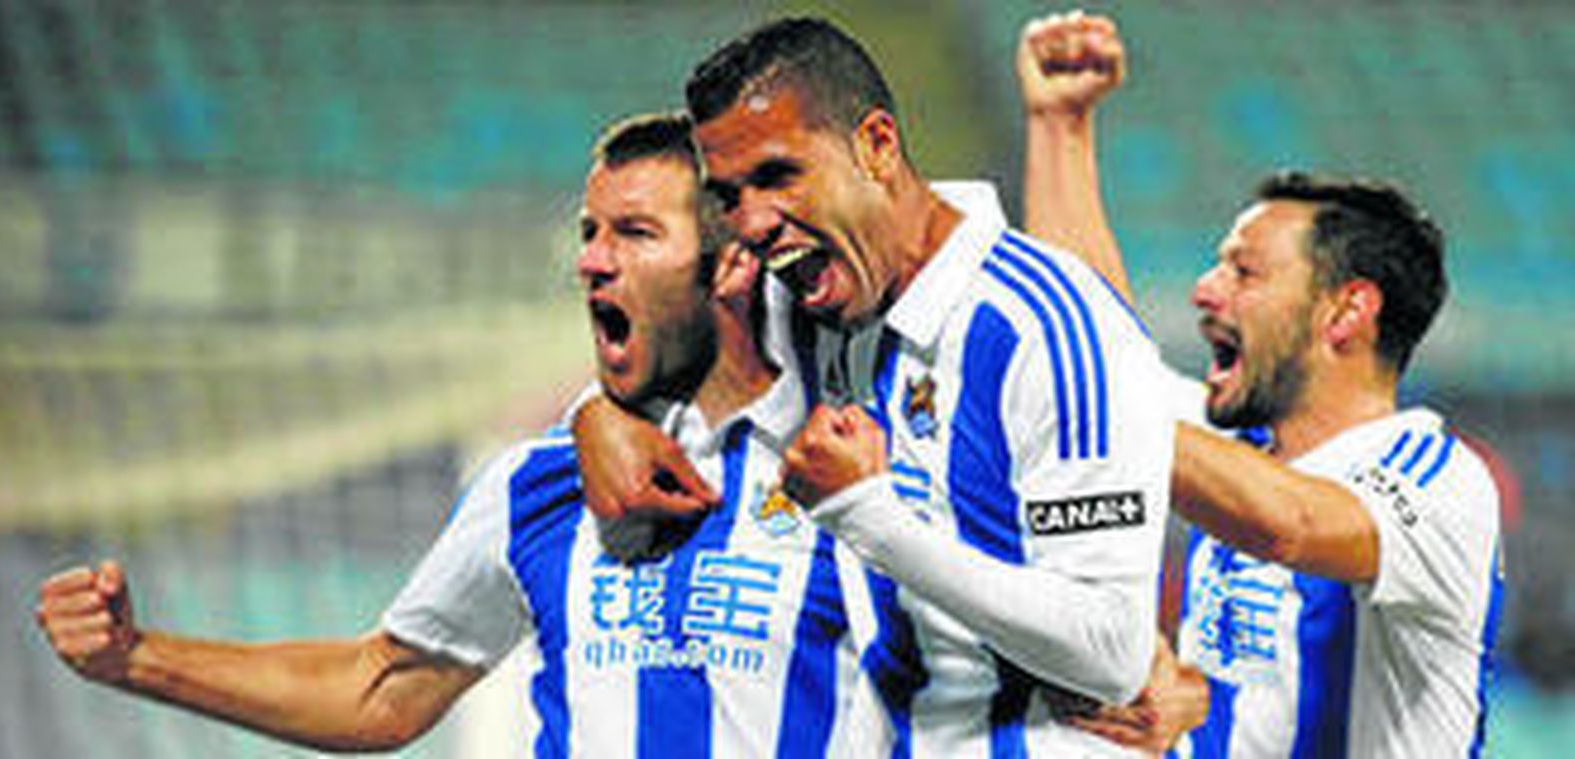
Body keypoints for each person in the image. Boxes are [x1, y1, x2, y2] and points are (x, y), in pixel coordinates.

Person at [34, 112, 871, 756]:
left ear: (733, 262)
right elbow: (383, 687)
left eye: (635, 232)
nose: (591, 260)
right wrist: (133, 656)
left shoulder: (856, 458)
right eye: (589, 232)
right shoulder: (540, 484)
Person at [577, 16, 1176, 756]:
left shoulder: (1046, 328)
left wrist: (868, 514)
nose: (752, 222)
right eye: (729, 195)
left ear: (878, 146)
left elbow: (1112, 652)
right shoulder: (805, 300)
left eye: (778, 175)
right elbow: (665, 347)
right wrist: (599, 418)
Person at [1018, 13, 1505, 757]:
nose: (1204, 290)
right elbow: (1086, 337)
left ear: (1347, 312)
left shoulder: (1439, 483)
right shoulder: (1238, 449)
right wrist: (1060, 125)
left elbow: (1291, 524)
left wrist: (1104, 413)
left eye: (1243, 272)